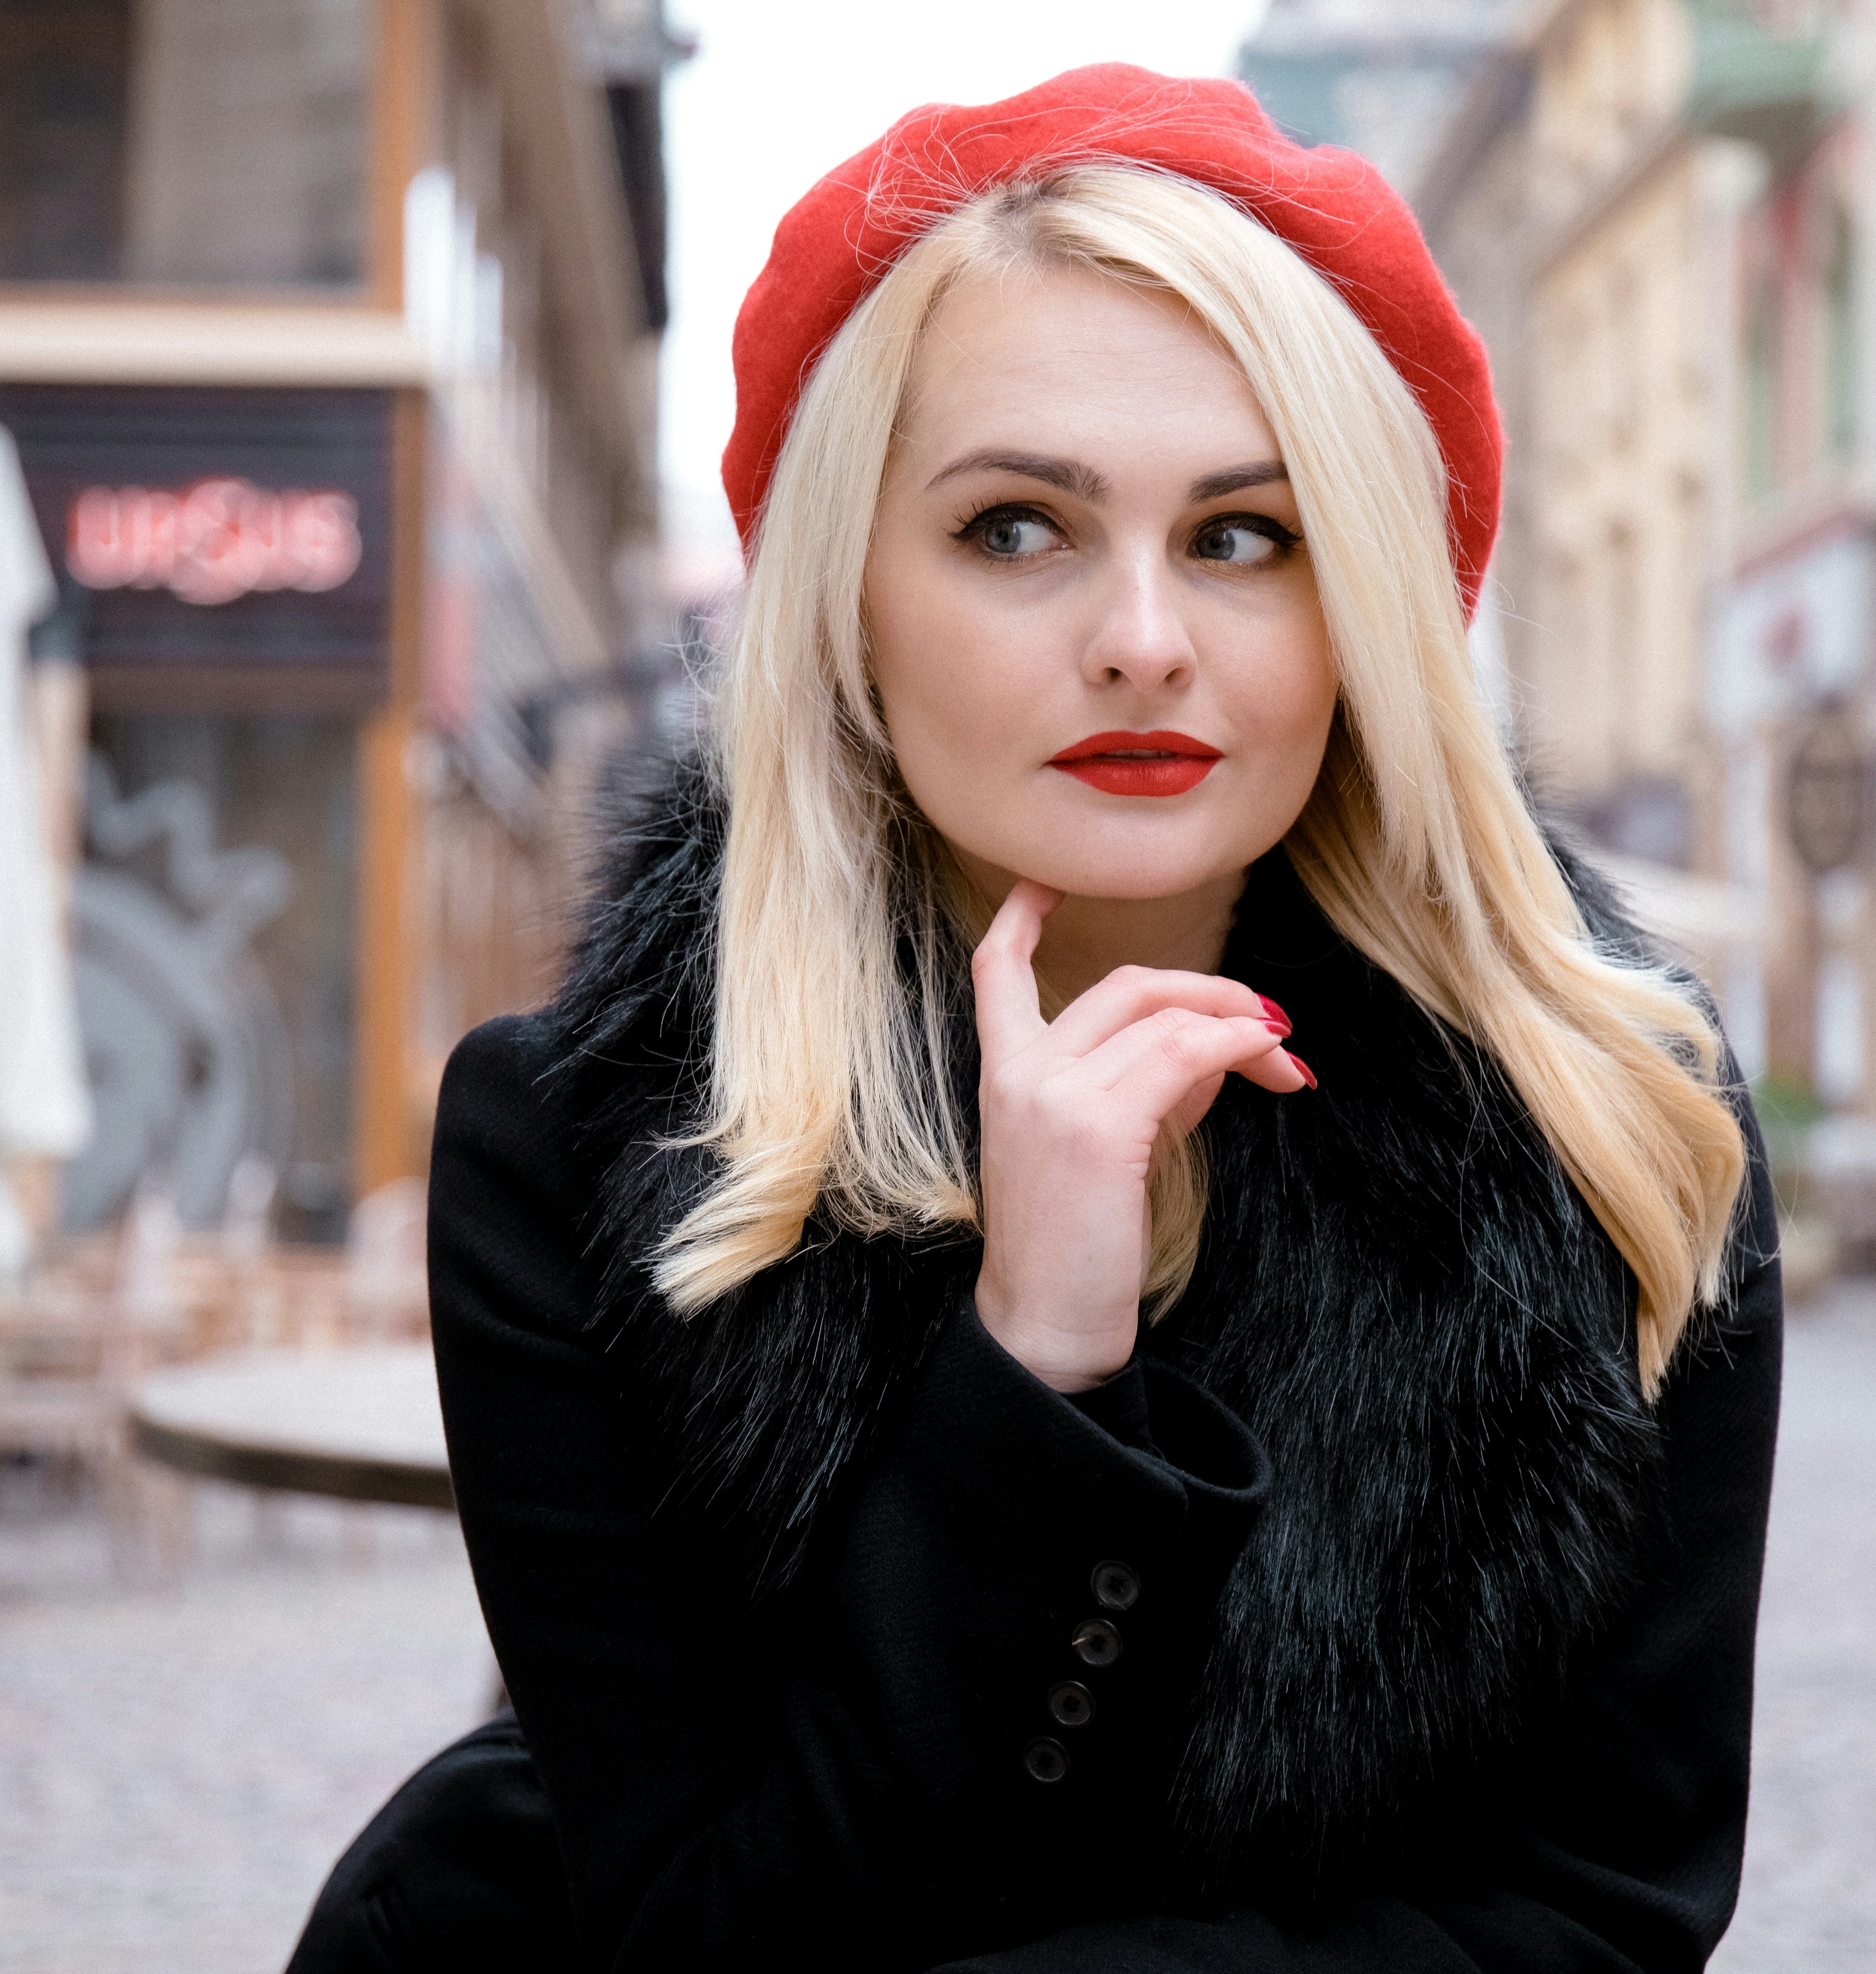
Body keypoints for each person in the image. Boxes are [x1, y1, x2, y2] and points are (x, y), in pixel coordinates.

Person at [290, 64, 1781, 1974]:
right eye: (1015, 529)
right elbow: (711, 1936)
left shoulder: (1615, 1119)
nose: (1145, 636)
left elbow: (1599, 1917)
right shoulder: (586, 1143)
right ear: (849, 603)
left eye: (1245, 534)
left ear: (1364, 606)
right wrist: (1032, 1369)